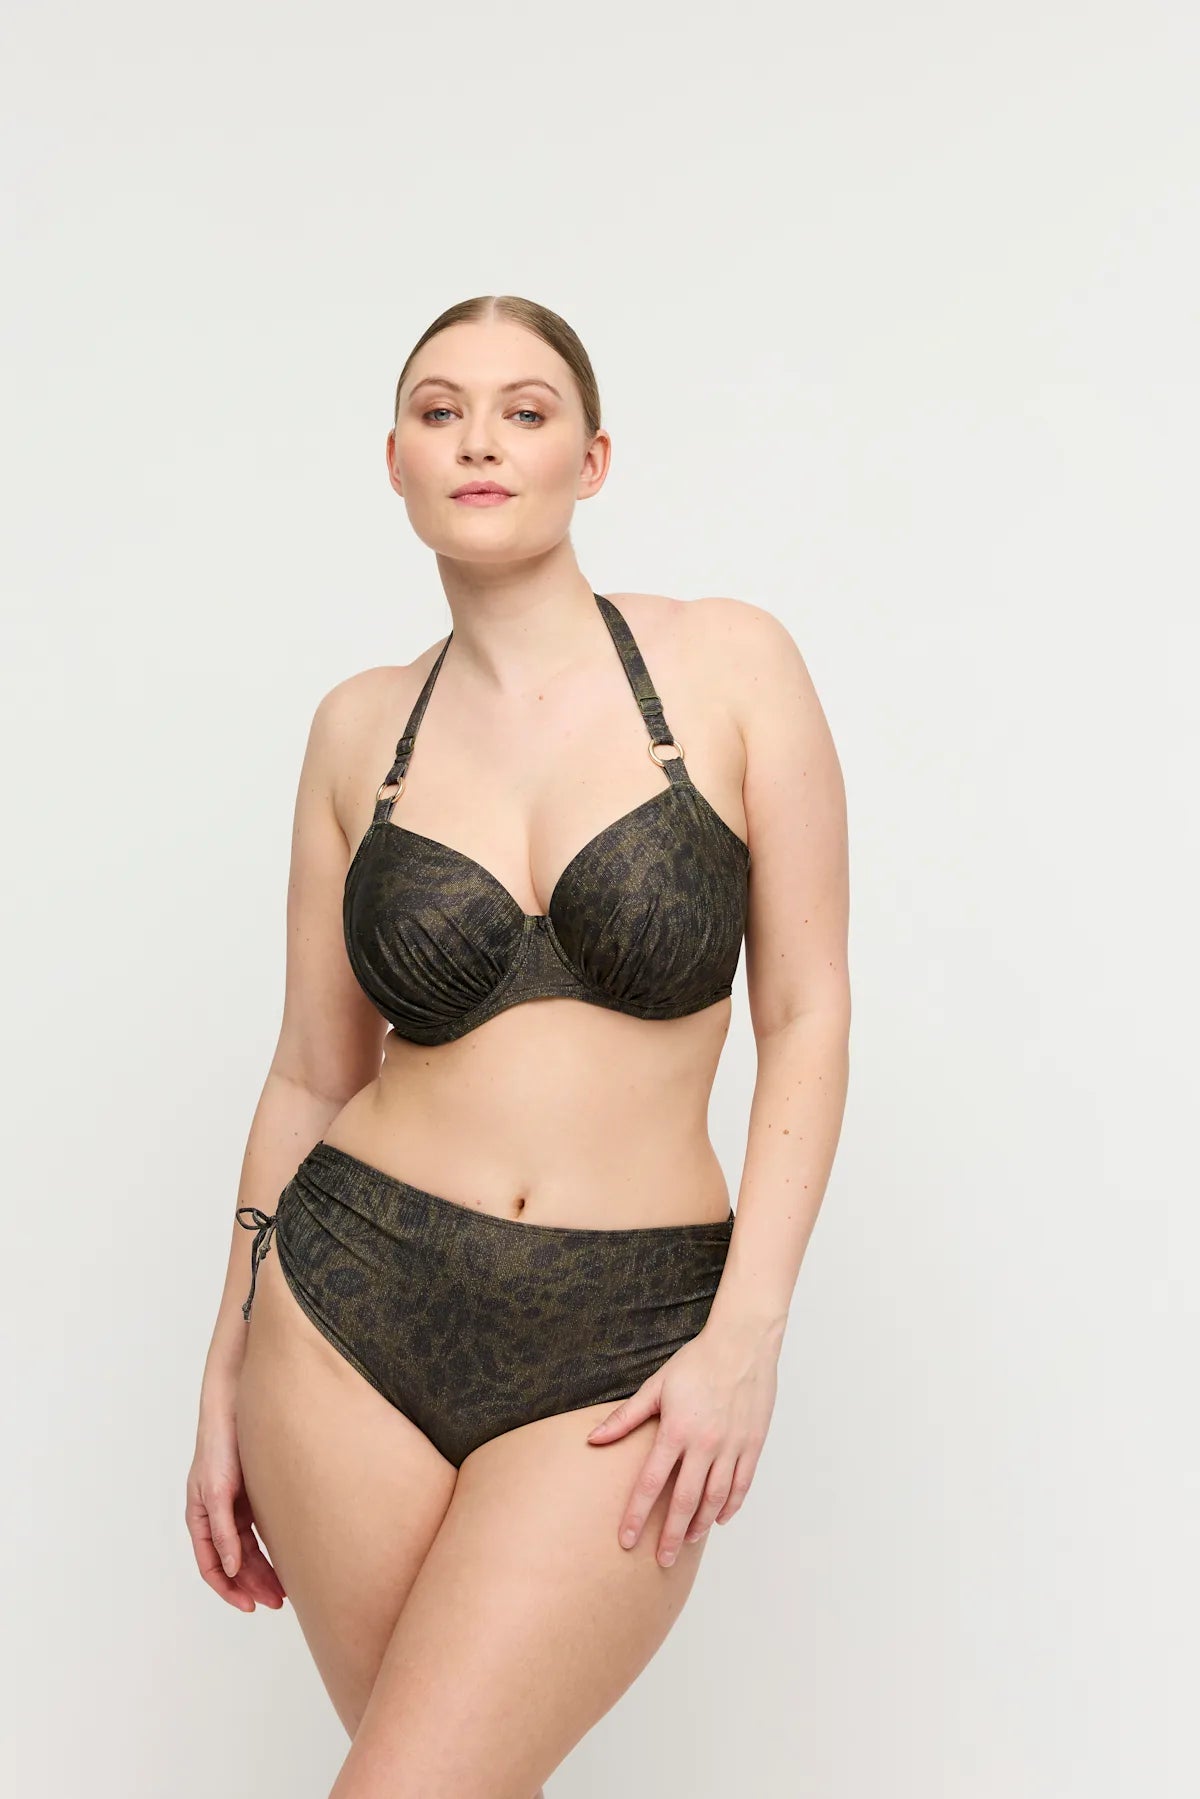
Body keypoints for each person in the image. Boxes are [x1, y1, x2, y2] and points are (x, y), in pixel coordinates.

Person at [185, 293, 851, 1798]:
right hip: (345, 1316)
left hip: (625, 1335)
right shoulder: (358, 728)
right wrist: (223, 1370)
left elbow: (808, 1012)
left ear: (591, 459)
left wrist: (745, 1337)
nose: (480, 439)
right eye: (441, 411)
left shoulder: (732, 665)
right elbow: (311, 1072)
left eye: (525, 410)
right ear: (397, 461)